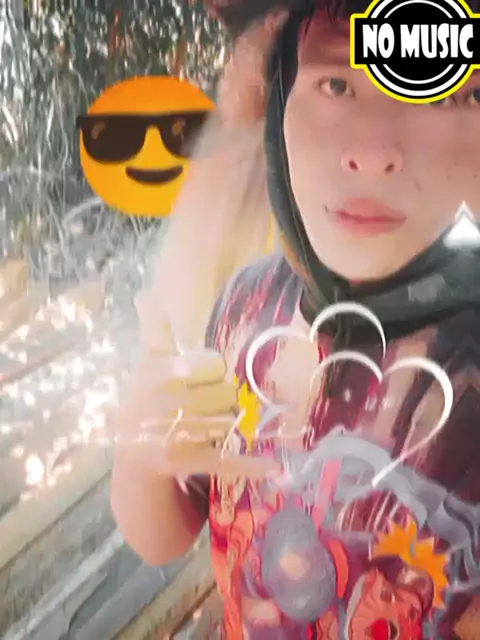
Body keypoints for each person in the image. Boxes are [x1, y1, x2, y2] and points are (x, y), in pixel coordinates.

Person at [111, 0, 480, 637]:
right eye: (336, 85)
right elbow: (163, 535)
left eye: (448, 97)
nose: (374, 151)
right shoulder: (247, 308)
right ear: (277, 99)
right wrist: (143, 450)